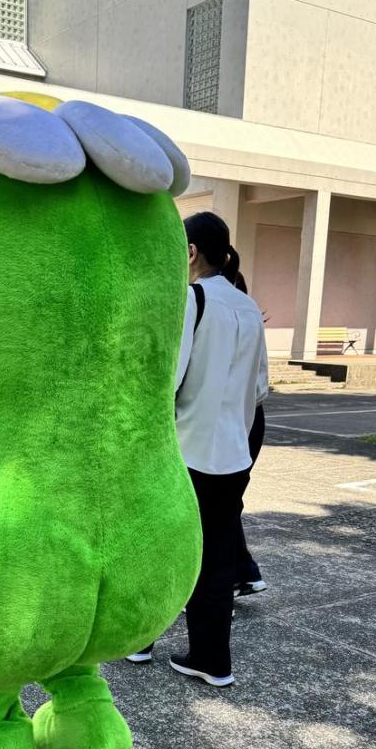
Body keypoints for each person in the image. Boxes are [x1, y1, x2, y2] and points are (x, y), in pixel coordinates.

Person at [129, 212, 268, 686]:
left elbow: (169, 378)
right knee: (217, 557)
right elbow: (260, 388)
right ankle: (211, 659)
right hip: (233, 452)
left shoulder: (192, 299)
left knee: (159, 545)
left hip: (186, 450)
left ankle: (140, 639)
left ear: (190, 252)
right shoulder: (247, 306)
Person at [222, 248, 267, 597]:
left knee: (216, 507)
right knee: (227, 503)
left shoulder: (202, 308)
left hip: (226, 420)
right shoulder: (249, 313)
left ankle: (229, 582)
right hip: (248, 418)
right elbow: (261, 387)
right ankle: (245, 573)